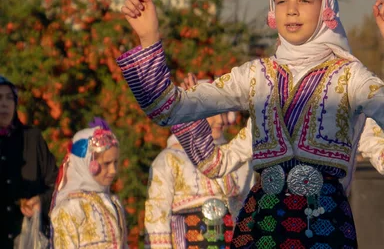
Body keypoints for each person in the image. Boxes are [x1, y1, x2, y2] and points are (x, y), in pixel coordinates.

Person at [117, 0, 384, 247]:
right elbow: (168, 109)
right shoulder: (255, 77)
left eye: (305, 0)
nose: (291, 9)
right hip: (260, 225)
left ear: (327, 7)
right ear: (272, 10)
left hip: (322, 225)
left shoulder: (350, 78)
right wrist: (149, 39)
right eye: (281, 0)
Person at [145, 78, 254, 249]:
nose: (220, 120)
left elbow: (246, 212)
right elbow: (157, 215)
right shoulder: (169, 160)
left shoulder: (236, 158)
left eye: (222, 112)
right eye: (211, 113)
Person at [50, 118, 128, 249]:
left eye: (115, 163)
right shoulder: (70, 208)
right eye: (107, 163)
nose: (113, 171)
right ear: (86, 163)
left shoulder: (113, 203)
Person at [0, 75, 58, 248]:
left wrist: (41, 200)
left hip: (29, 239)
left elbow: (56, 185)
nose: (4, 104)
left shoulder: (32, 139)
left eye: (9, 98)